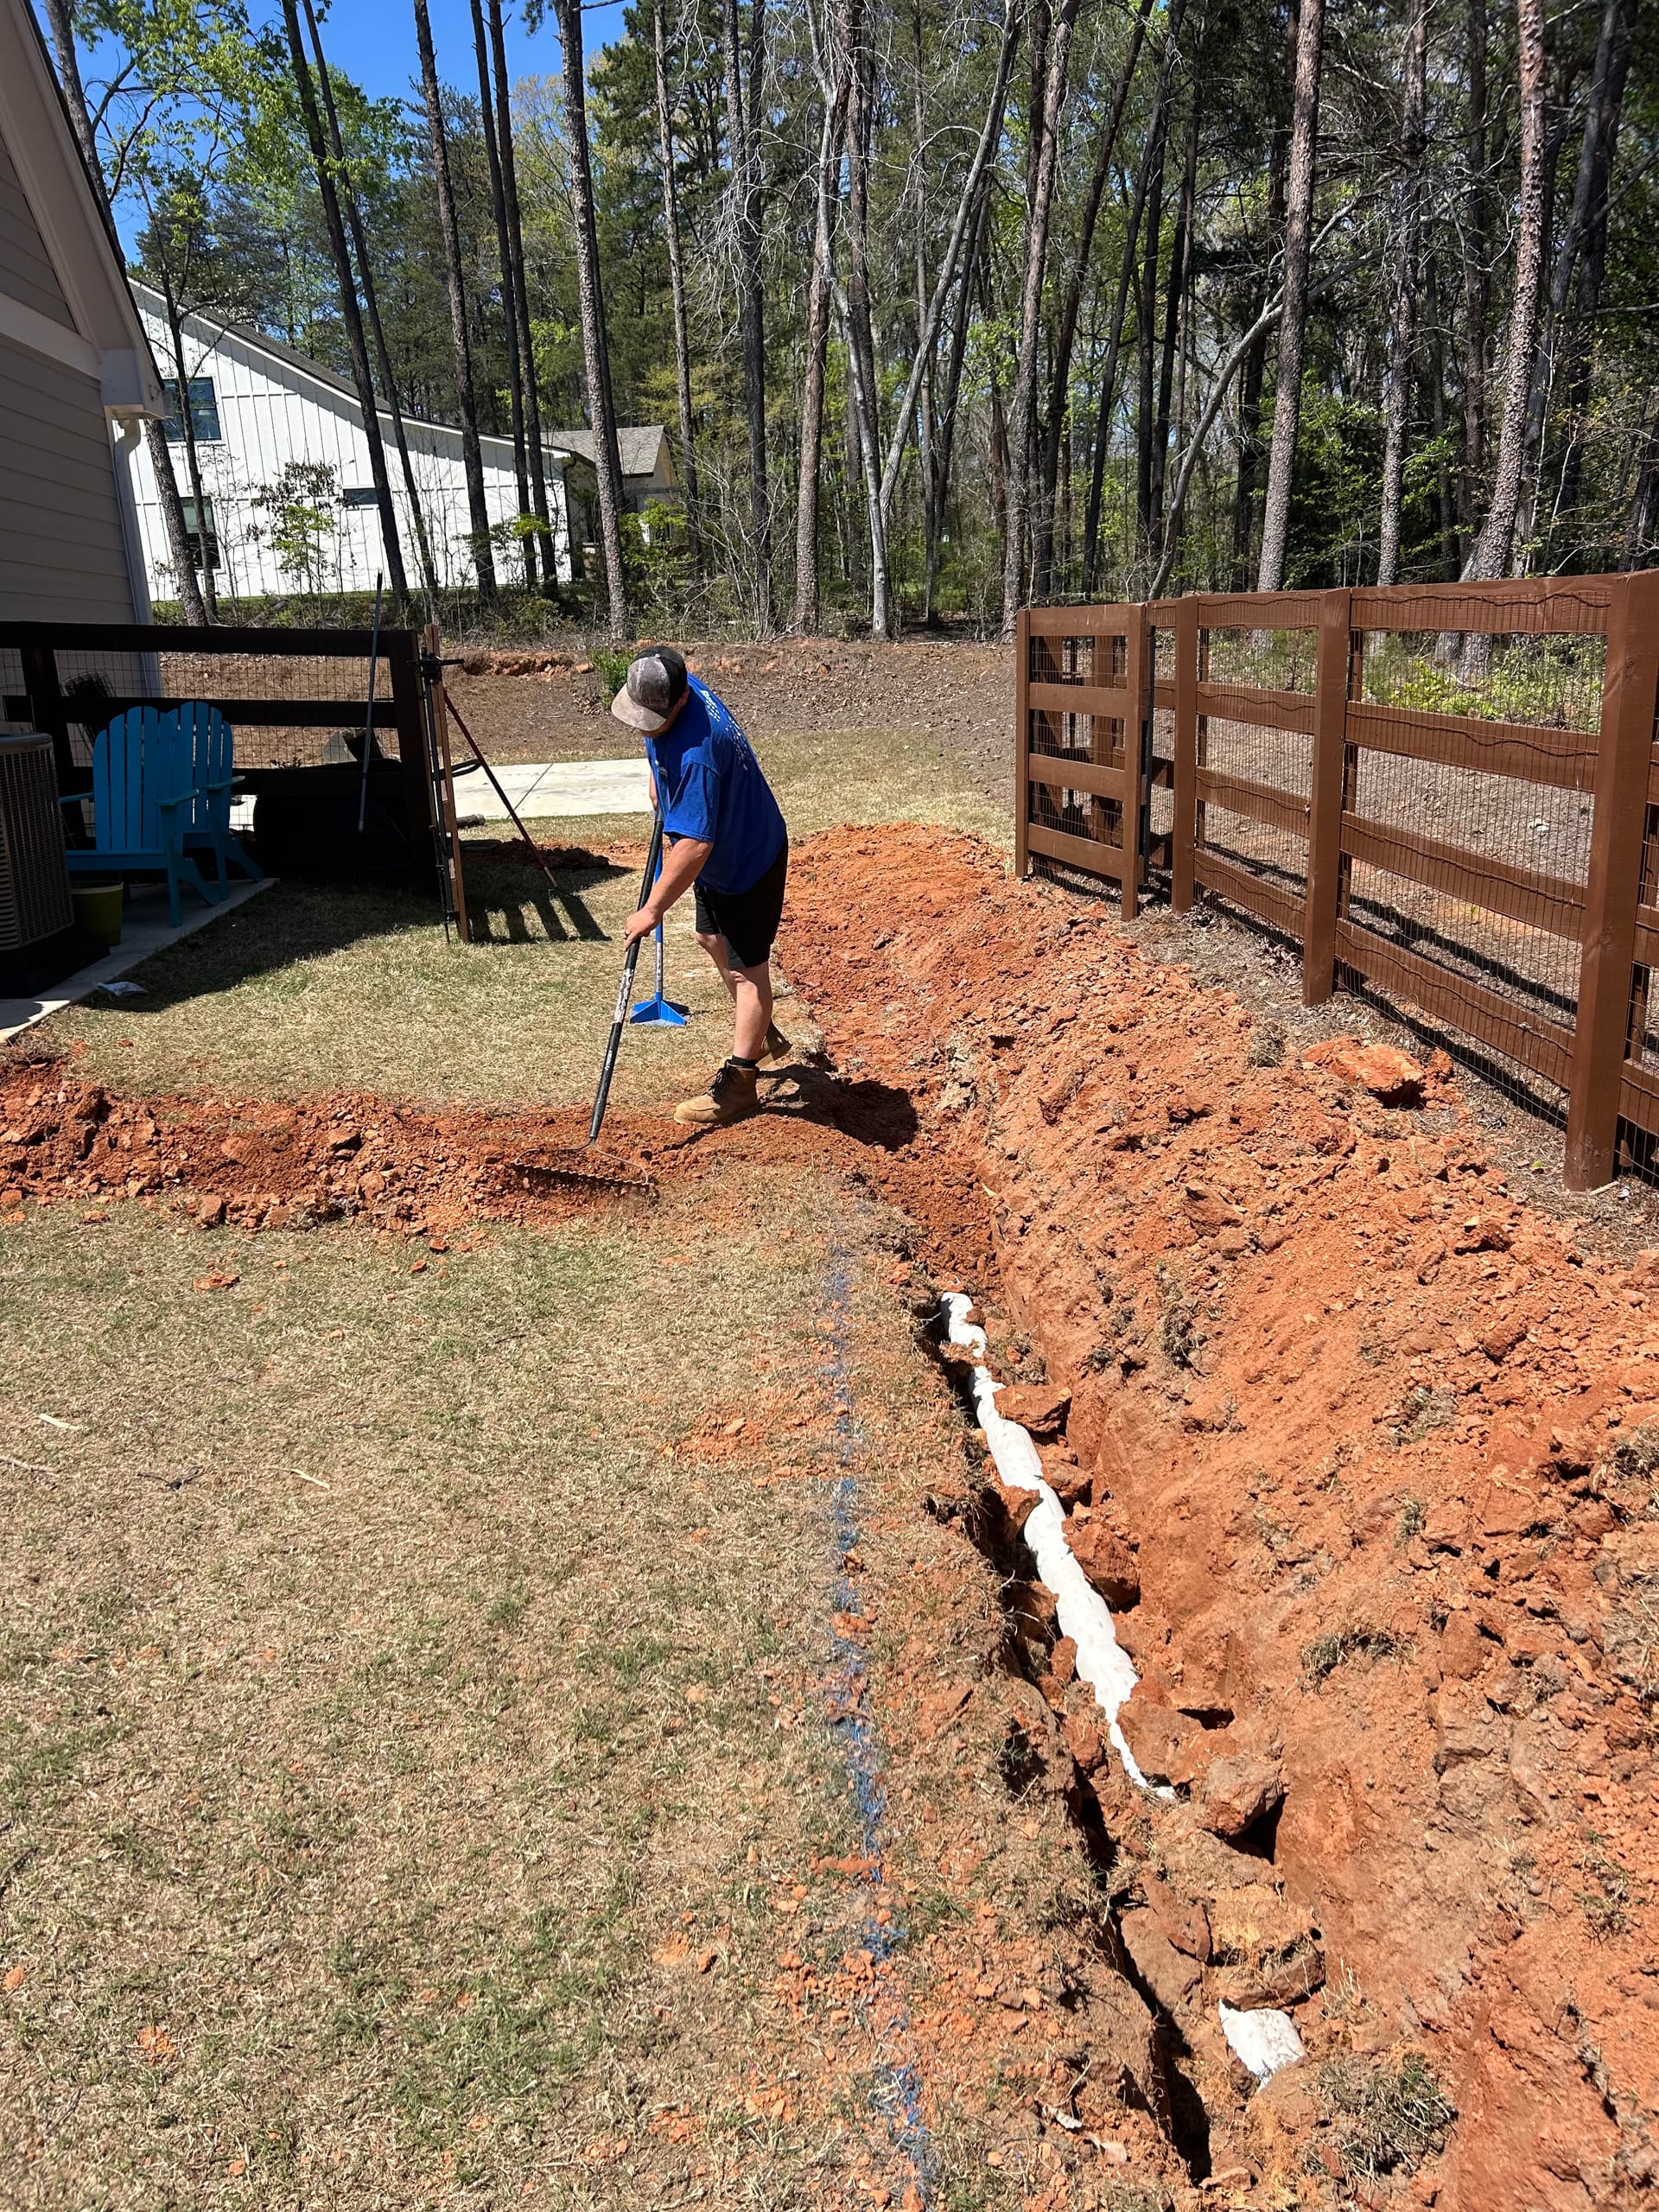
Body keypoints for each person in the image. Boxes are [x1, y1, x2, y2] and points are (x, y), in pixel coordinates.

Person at [611, 647, 791, 1127]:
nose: (646, 727)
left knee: (748, 971)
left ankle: (740, 1085)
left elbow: (693, 846)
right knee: (710, 938)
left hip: (747, 862)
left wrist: (651, 910)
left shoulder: (698, 755)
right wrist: (656, 773)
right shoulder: (682, 693)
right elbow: (656, 738)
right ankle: (761, 1030)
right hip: (725, 855)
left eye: (654, 719)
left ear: (681, 700)